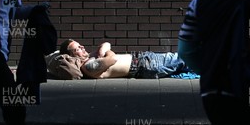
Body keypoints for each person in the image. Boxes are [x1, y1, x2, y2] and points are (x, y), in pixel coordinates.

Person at [59, 39, 191, 79]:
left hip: (144, 60)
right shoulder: (88, 66)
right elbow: (112, 59)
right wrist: (106, 52)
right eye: (77, 48)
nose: (82, 47)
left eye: (80, 44)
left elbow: (106, 44)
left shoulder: (91, 57)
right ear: (72, 55)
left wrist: (102, 49)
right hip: (144, 65)